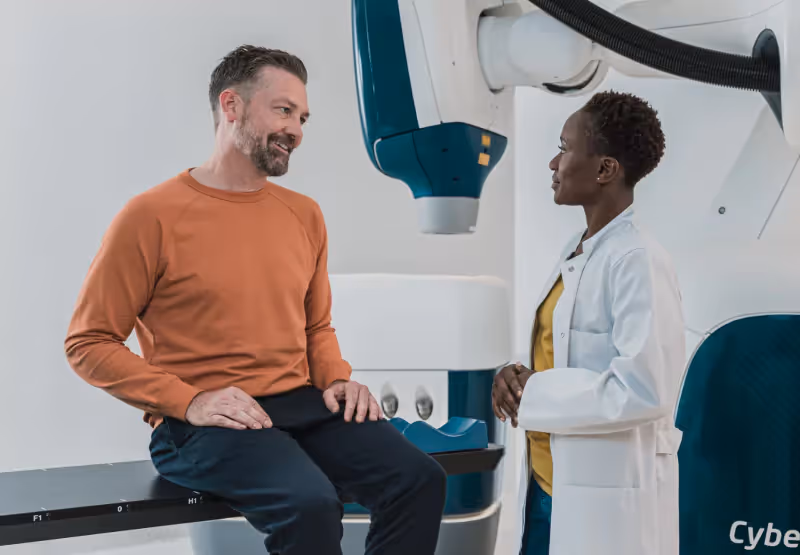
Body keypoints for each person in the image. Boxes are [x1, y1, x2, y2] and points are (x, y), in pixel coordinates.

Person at [64, 45, 446, 555]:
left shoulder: (304, 214)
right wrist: (190, 401)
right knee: (309, 505)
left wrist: (337, 378)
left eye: (302, 118)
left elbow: (315, 327)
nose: (297, 130)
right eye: (284, 110)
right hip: (200, 423)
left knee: (419, 479)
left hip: (300, 403)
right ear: (232, 105)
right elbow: (88, 342)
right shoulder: (150, 216)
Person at [492, 91, 685, 555]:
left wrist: (533, 391)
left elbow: (644, 389)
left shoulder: (637, 259)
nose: (553, 162)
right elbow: (558, 353)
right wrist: (512, 376)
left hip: (602, 498)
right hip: (547, 483)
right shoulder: (579, 249)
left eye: (564, 148)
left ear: (605, 169)